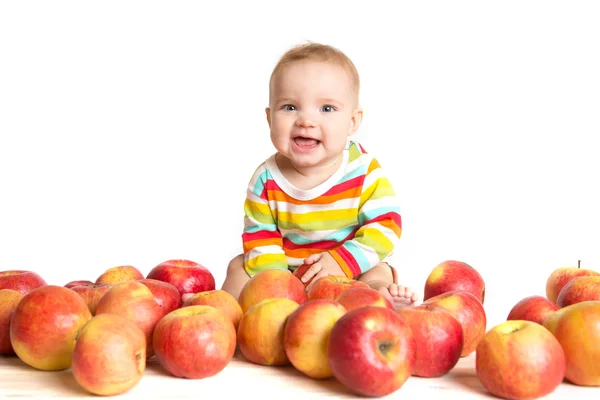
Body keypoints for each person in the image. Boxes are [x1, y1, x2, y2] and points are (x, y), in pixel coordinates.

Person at [221, 42, 419, 310]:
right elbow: (261, 238)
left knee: (377, 272)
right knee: (238, 268)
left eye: (326, 109)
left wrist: (342, 262)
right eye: (290, 107)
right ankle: (226, 313)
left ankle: (377, 298)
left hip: (348, 273)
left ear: (353, 121)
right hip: (286, 273)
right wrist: (278, 287)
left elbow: (386, 225)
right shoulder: (266, 180)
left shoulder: (363, 171)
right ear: (269, 118)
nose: (306, 120)